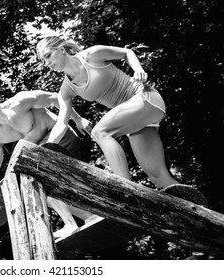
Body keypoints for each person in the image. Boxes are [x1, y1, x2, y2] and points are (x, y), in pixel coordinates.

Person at [36, 36, 183, 191]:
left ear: (61, 49)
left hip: (145, 98)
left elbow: (127, 53)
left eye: (48, 56)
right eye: (44, 61)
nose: (47, 63)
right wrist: (46, 147)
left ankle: (126, 189)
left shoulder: (92, 55)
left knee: (99, 132)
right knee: (158, 177)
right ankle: (199, 208)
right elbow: (62, 123)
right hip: (135, 121)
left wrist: (139, 70)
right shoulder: (66, 90)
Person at [0, 89, 97, 239]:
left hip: (62, 136)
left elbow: (55, 98)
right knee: (32, 187)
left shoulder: (20, 102)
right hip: (40, 151)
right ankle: (89, 216)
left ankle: (70, 223)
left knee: (38, 176)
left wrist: (77, 119)